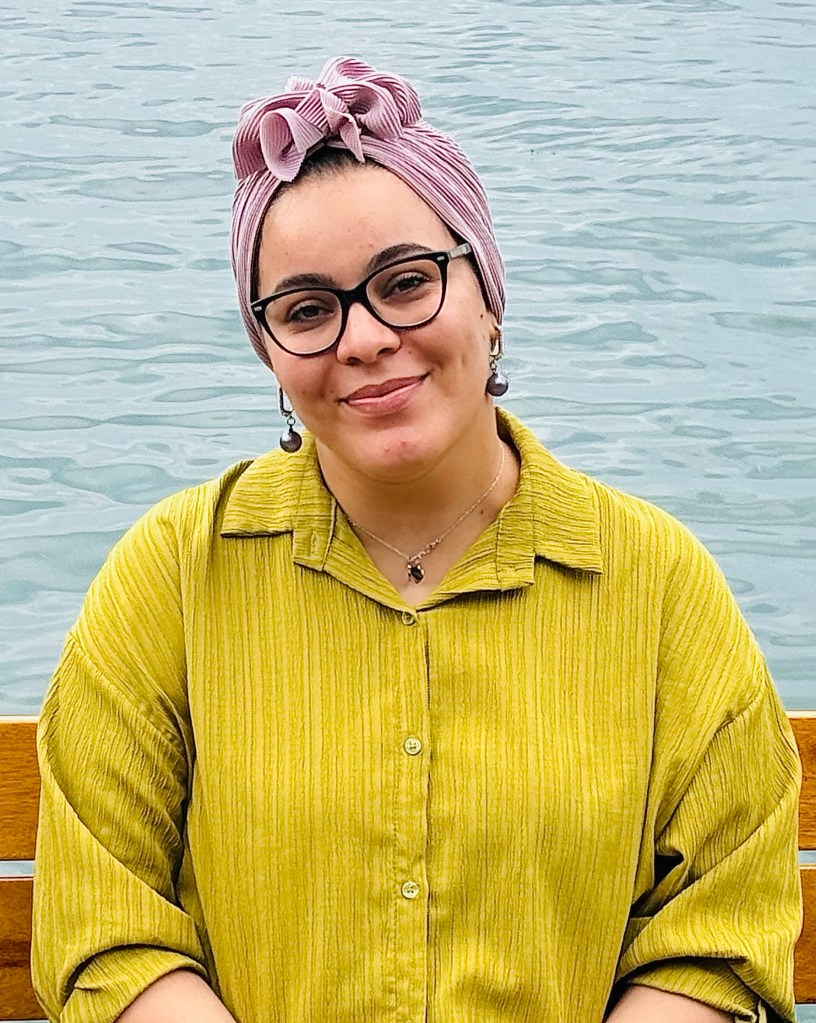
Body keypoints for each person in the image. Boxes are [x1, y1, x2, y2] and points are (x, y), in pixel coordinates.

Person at [31, 56, 801, 1023]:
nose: (362, 338)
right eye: (307, 309)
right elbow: (105, 921)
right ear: (269, 352)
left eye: (405, 283)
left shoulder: (656, 578)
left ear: (488, 295)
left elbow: (721, 930)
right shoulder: (175, 572)